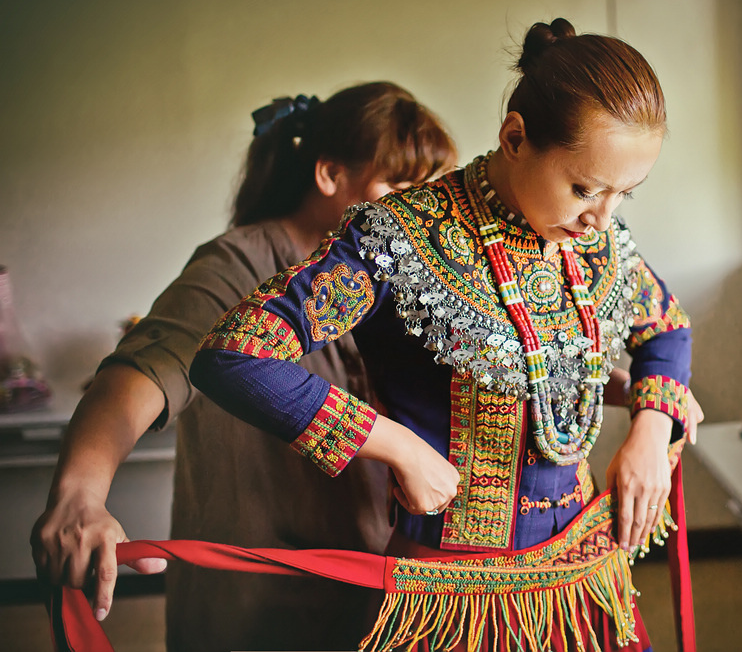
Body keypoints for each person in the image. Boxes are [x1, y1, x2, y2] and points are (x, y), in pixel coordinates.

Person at [191, 19, 696, 652]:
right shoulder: (398, 240)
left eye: (625, 194)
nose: (603, 218)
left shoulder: (596, 243)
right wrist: (395, 445)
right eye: (584, 188)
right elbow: (234, 355)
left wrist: (651, 429)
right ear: (515, 138)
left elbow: (668, 329)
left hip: (586, 580)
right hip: (452, 599)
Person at [31, 81, 458, 652]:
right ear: (330, 175)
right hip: (259, 604)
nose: (421, 210)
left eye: (431, 191)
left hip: (378, 589)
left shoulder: (408, 279)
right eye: (402, 187)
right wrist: (79, 493)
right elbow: (142, 372)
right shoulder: (236, 265)